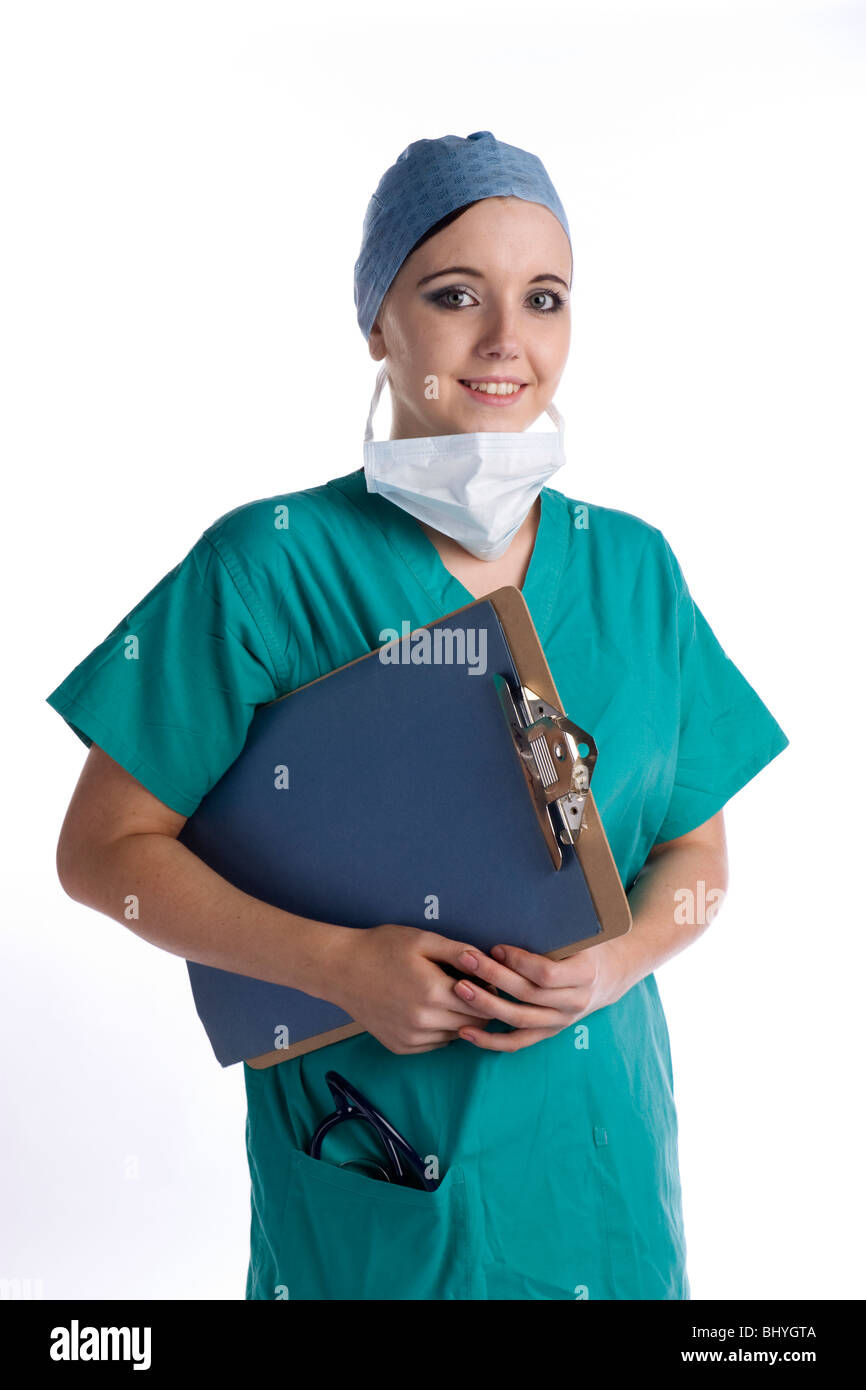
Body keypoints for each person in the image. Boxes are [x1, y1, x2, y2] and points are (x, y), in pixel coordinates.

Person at [46, 130, 789, 1300]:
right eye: (455, 296)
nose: (506, 341)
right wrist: (339, 965)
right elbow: (101, 853)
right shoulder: (266, 567)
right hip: (380, 1179)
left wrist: (612, 964)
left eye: (542, 299)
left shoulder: (635, 570)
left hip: (602, 1169)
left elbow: (693, 851)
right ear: (377, 326)